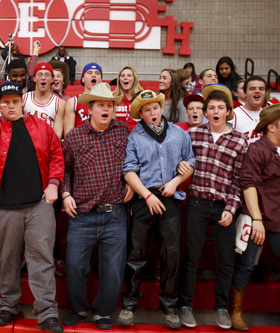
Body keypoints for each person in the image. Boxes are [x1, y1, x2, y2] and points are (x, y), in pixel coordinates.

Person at [0, 81, 64, 333]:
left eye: (15, 101)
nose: (11, 106)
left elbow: (56, 154)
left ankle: (47, 314)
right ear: (0, 103)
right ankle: (8, 306)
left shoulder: (41, 126)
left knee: (42, 260)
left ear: (22, 102)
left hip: (39, 204)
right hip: (5, 205)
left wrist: (54, 184)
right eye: (6, 102)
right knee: (8, 259)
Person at [119, 90, 195, 330]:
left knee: (171, 255)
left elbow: (190, 162)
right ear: (140, 113)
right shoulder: (135, 136)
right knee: (136, 254)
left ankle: (170, 307)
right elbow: (128, 169)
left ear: (161, 108)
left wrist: (174, 183)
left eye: (155, 108)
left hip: (170, 197)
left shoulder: (179, 133)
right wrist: (147, 195)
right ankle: (129, 304)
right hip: (144, 198)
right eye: (147, 110)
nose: (152, 113)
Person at [178, 84, 248, 330]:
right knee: (191, 257)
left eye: (221, 108)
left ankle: (221, 307)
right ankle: (185, 305)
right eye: (211, 108)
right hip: (196, 202)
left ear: (228, 112)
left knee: (225, 260)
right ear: (205, 112)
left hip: (224, 206)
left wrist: (231, 207)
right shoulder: (192, 134)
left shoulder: (240, 141)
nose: (216, 111)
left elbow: (239, 180)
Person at [61, 83, 130, 330]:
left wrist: (133, 179)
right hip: (82, 213)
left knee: (113, 269)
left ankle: (102, 312)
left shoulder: (123, 131)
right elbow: (65, 169)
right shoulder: (74, 137)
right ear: (90, 109)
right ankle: (78, 308)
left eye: (110, 105)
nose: (106, 109)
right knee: (75, 266)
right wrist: (66, 192)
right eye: (101, 105)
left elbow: (135, 159)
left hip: (115, 213)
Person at [230, 103, 280, 332]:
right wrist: (256, 219)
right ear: (272, 127)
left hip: (279, 217)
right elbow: (248, 184)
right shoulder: (258, 149)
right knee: (245, 265)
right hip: (256, 216)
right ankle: (235, 311)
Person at [23, 62, 65, 139]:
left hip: (47, 145)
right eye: (40, 74)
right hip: (26, 143)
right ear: (34, 78)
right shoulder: (24, 98)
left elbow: (57, 134)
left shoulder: (60, 103)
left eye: (47, 75)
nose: (43, 78)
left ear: (52, 79)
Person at [64, 63, 103, 134]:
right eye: (89, 73)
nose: (94, 75)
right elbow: (68, 134)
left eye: (97, 73)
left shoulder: (108, 101)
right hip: (80, 142)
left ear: (101, 80)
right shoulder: (73, 102)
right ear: (83, 79)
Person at [232, 76, 267, 145]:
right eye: (252, 89)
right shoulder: (234, 115)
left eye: (261, 89)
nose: (257, 91)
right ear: (245, 93)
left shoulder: (269, 115)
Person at [112, 66, 144, 130]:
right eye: (122, 76)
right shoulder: (113, 98)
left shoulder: (141, 98)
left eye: (129, 75)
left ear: (134, 80)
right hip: (118, 135)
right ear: (119, 80)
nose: (125, 78)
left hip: (137, 136)